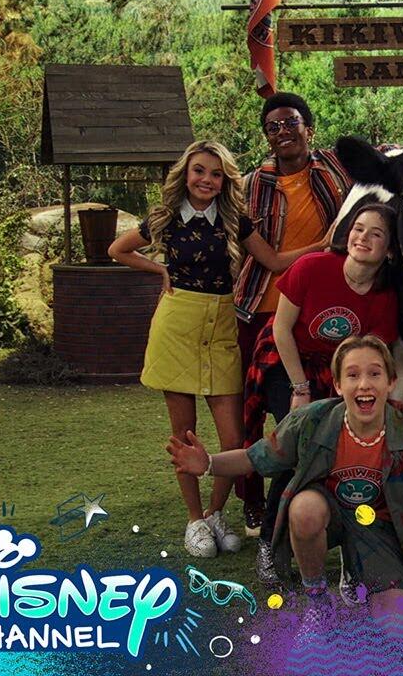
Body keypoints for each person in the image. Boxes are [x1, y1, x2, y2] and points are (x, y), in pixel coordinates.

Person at [167, 334, 403, 627]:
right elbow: (255, 457)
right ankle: (318, 602)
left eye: (374, 374)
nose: (364, 384)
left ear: (390, 382)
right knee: (304, 507)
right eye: (352, 375)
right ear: (338, 385)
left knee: (399, 627)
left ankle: (361, 576)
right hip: (330, 516)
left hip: (381, 530)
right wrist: (208, 463)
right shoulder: (312, 421)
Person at [108, 140, 256, 559]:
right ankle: (194, 521)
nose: (207, 180)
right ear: (185, 174)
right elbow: (117, 250)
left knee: (233, 437)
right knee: (184, 433)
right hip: (177, 326)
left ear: (225, 180)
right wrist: (159, 269)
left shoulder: (236, 221)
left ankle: (215, 513)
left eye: (216, 174)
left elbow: (277, 261)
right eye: (199, 171)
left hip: (221, 326)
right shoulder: (166, 218)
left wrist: (327, 241)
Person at [243, 202, 400, 585]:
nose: (363, 238)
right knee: (297, 444)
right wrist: (300, 389)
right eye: (358, 228)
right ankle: (269, 544)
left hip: (337, 373)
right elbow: (281, 329)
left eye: (376, 234)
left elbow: (369, 356)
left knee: (340, 449)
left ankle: (344, 544)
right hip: (286, 360)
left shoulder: (385, 298)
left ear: (390, 250)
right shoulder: (312, 267)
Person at [234, 92, 352, 539]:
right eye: (273, 127)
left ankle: (322, 496)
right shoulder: (251, 183)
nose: (283, 132)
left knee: (314, 409)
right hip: (260, 306)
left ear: (309, 128)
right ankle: (253, 499)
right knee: (252, 409)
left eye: (291, 123)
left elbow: (386, 163)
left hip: (316, 312)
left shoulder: (336, 168)